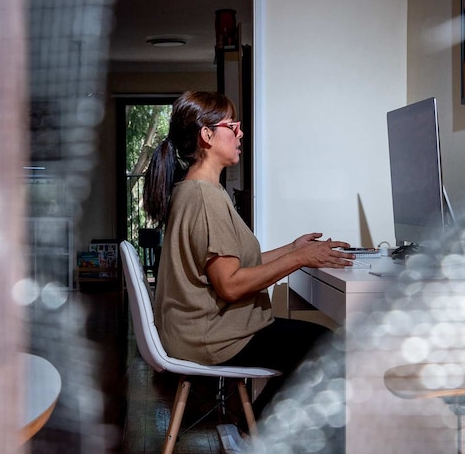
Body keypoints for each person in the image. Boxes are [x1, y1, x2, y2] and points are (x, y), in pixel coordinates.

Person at [143, 90, 354, 419]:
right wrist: (300, 259)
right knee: (329, 347)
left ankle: (253, 425)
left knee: (317, 342)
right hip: (210, 339)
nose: (240, 132)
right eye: (233, 125)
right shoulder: (204, 198)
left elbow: (235, 265)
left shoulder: (196, 190)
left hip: (194, 333)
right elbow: (230, 285)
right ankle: (259, 432)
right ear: (207, 135)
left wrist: (293, 249)